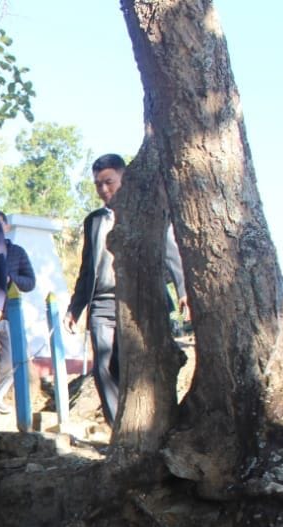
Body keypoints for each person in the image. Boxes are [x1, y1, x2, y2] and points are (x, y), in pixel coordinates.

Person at [67, 154, 188, 426]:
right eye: (98, 184)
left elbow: (171, 254)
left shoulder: (147, 214)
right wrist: (75, 307)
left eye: (109, 182)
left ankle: (152, 424)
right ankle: (118, 428)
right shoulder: (94, 220)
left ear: (123, 179)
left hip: (138, 301)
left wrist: (183, 289)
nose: (104, 189)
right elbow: (87, 268)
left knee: (137, 364)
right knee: (102, 367)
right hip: (101, 302)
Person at [0, 211, 37, 413]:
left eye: (1, 225)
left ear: (6, 227)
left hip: (11, 315)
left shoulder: (17, 252)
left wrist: (10, 278)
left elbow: (30, 282)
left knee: (11, 359)